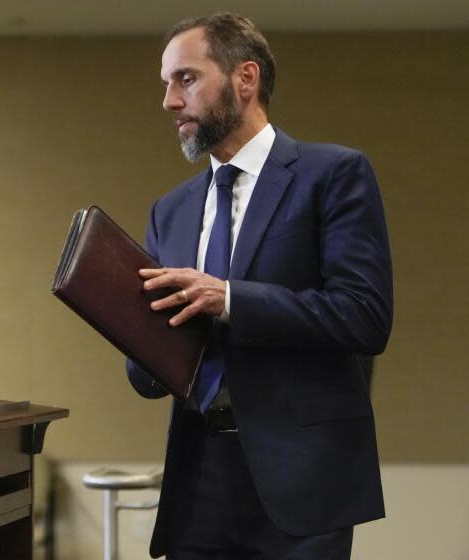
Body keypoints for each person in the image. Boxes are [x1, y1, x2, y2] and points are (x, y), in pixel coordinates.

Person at [125, 12, 393, 560]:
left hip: (302, 478)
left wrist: (230, 299)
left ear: (245, 79)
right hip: (197, 479)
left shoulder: (334, 174)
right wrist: (126, 324)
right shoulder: (169, 211)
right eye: (167, 84)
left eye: (187, 79)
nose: (170, 101)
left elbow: (365, 314)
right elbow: (150, 373)